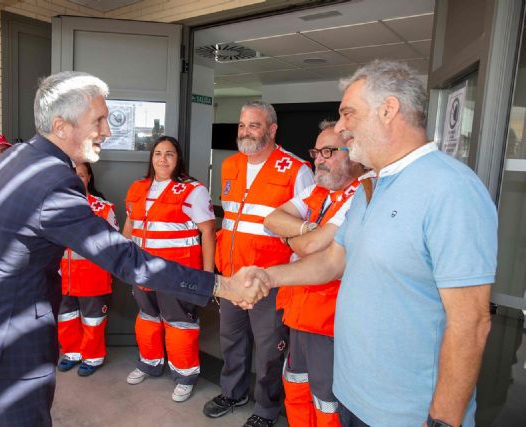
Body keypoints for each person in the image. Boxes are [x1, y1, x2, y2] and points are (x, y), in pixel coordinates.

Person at [0, 71, 270, 427]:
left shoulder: (14, 157)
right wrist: (221, 285)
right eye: (98, 120)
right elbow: (124, 257)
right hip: (11, 339)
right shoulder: (53, 182)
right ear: (61, 125)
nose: (107, 130)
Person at [245, 60, 498, 427]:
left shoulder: (452, 190)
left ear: (388, 110)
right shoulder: (369, 189)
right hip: (351, 397)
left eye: (348, 113)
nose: (342, 127)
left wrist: (443, 420)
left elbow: (471, 323)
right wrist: (265, 277)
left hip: (405, 415)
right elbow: (332, 261)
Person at [203, 100, 314, 427]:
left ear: (272, 129)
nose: (245, 131)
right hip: (233, 277)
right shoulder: (230, 165)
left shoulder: (296, 169)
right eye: (241, 125)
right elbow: (232, 223)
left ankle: (266, 409)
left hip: (270, 281)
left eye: (254, 125)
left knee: (269, 351)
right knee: (231, 341)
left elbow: (307, 233)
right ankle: (233, 391)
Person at [263, 120, 364, 427]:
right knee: (295, 385)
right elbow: (272, 219)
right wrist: (306, 230)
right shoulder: (316, 190)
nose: (318, 159)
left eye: (329, 151)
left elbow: (314, 247)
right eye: (316, 151)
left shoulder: (361, 195)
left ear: (355, 154)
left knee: (326, 399)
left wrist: (294, 237)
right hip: (298, 310)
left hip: (330, 319)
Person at [123, 136, 216, 402]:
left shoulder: (192, 190)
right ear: (151, 158)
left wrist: (206, 278)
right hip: (141, 271)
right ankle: (149, 363)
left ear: (178, 159)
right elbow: (129, 227)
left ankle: (185, 375)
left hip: (178, 274)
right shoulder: (138, 187)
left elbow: (208, 232)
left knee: (179, 324)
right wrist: (121, 259)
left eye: (169, 154)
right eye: (158, 153)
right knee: (147, 318)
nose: (162, 159)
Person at [57, 162, 119, 377]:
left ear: (89, 178)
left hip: (93, 277)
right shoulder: (56, 207)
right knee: (66, 317)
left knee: (92, 320)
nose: (76, 179)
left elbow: (114, 246)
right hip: (63, 275)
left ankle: (92, 357)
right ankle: (71, 353)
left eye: (81, 175)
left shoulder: (104, 208)